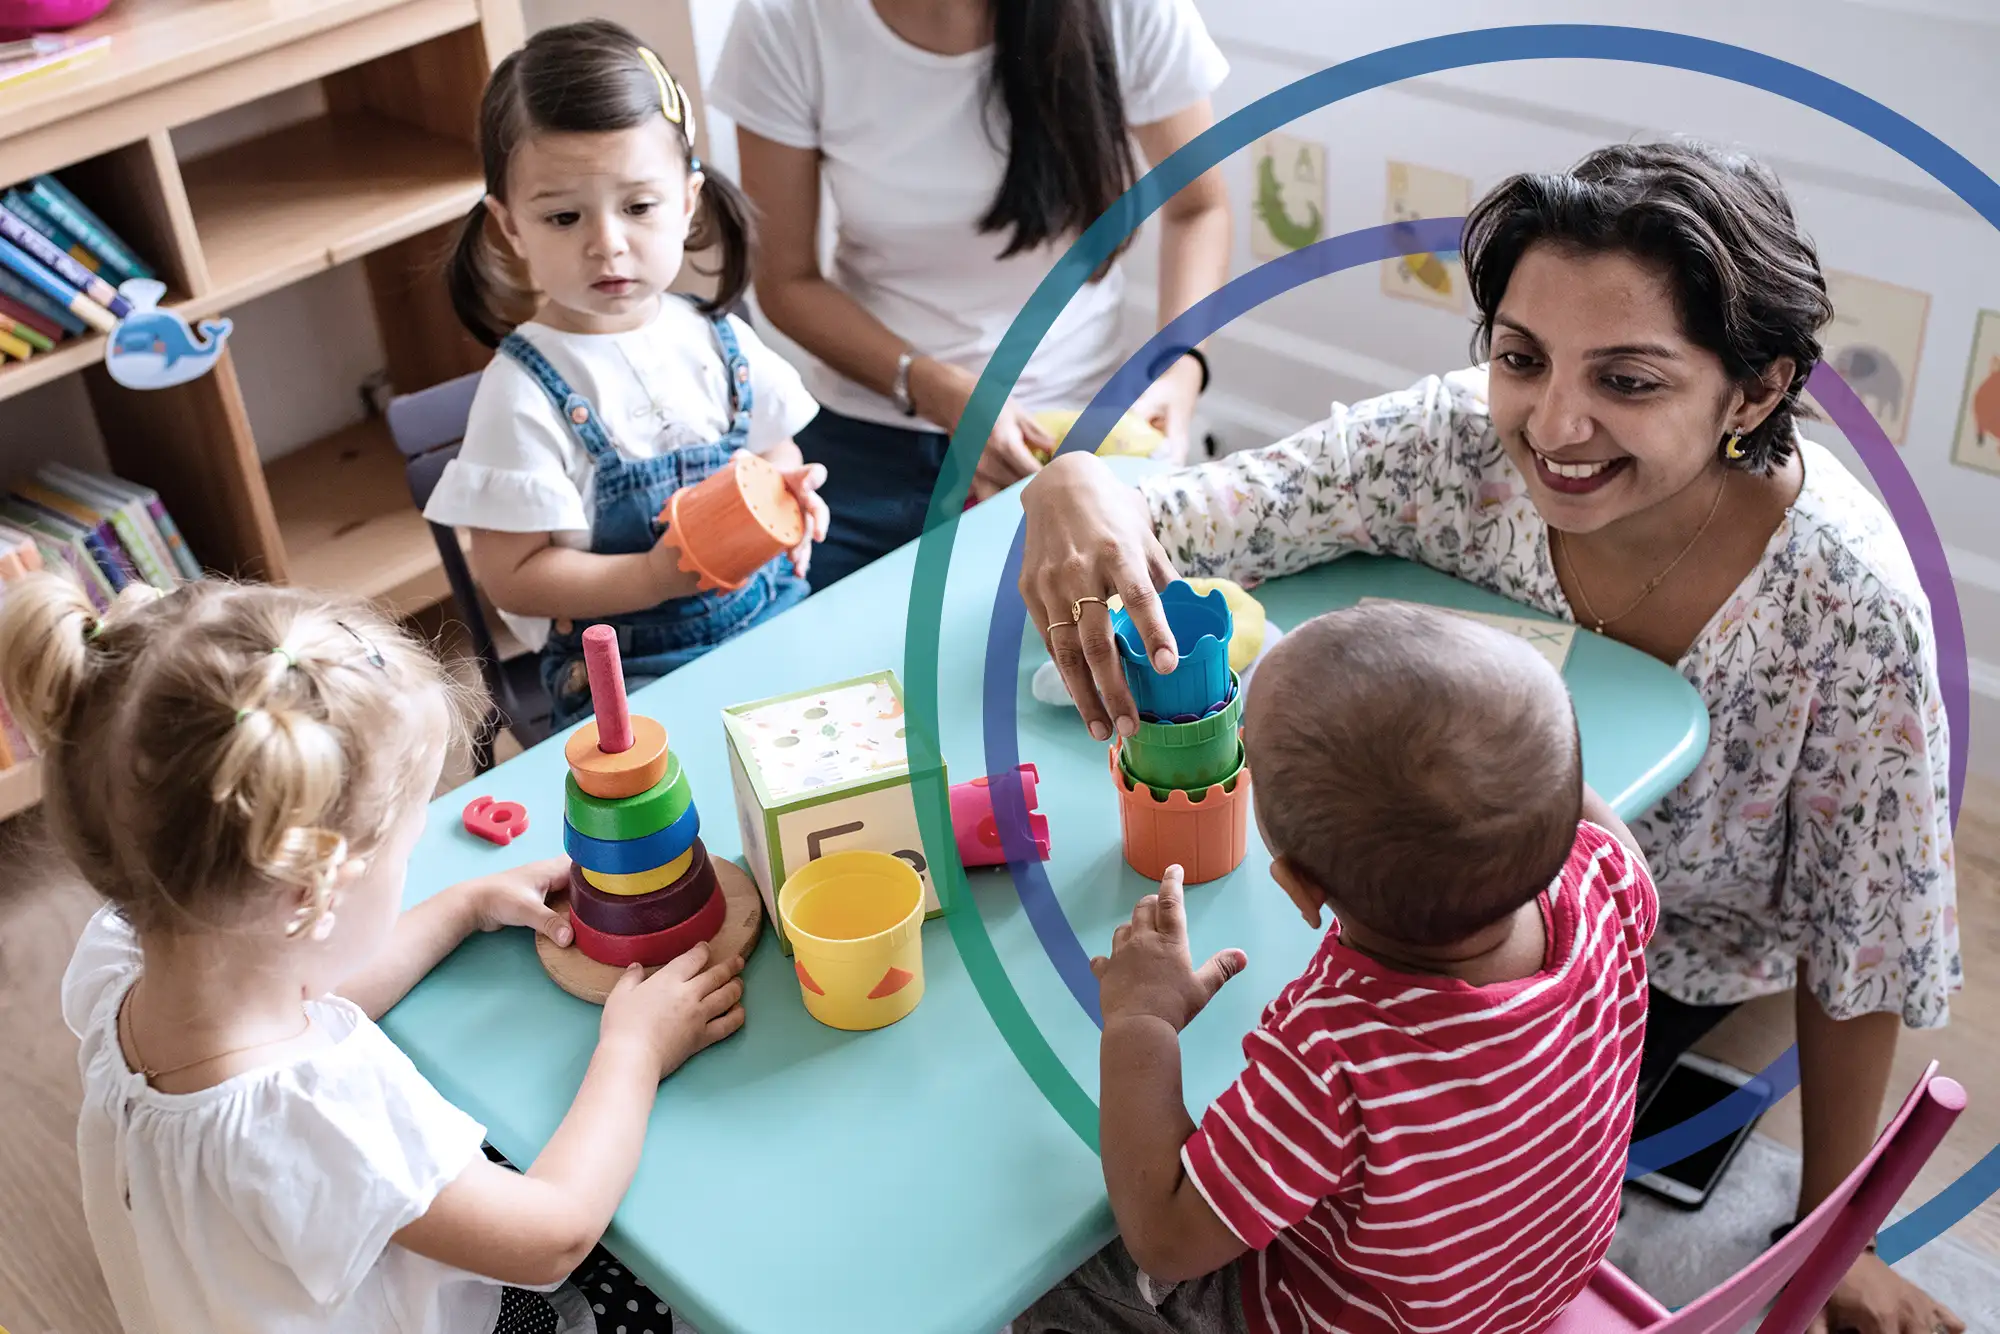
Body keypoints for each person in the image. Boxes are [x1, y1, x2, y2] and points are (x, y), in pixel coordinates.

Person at [1017, 139, 1964, 1334]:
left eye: (1627, 379)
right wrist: (1076, 487)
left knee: (1114, 1178)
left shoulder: (1851, 608)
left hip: (1646, 968)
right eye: (1520, 358)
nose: (1552, 423)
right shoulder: (1451, 447)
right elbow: (1199, 512)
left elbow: (1860, 942)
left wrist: (1842, 1232)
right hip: (1497, 923)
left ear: (1756, 390)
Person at [0, 573, 741, 1333]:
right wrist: (635, 1049)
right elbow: (553, 1234)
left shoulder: (127, 966)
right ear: (314, 896)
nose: (415, 866)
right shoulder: (318, 1119)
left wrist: (463, 906)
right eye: (407, 849)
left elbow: (308, 1001)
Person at [1013, 602, 1661, 1334]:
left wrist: (1141, 1021)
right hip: (1524, 1297)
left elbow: (1163, 1237)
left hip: (1350, 1319)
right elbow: (1601, 836)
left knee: (1050, 1272)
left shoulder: (1335, 1051)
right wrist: (1518, 778)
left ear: (1298, 887)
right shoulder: (1605, 880)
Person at [707, 0, 1233, 591]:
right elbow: (786, 280)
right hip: (872, 437)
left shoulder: (1128, 12)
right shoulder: (786, 21)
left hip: (1078, 431)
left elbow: (1199, 208)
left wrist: (1181, 366)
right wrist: (937, 388)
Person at [425, 20, 831, 731]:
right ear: (510, 227)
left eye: (638, 207)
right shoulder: (523, 393)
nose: (606, 243)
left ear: (687, 201)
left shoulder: (719, 339)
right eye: (562, 216)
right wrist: (651, 578)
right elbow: (510, 575)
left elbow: (773, 450)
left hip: (773, 619)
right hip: (634, 676)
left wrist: (786, 499)